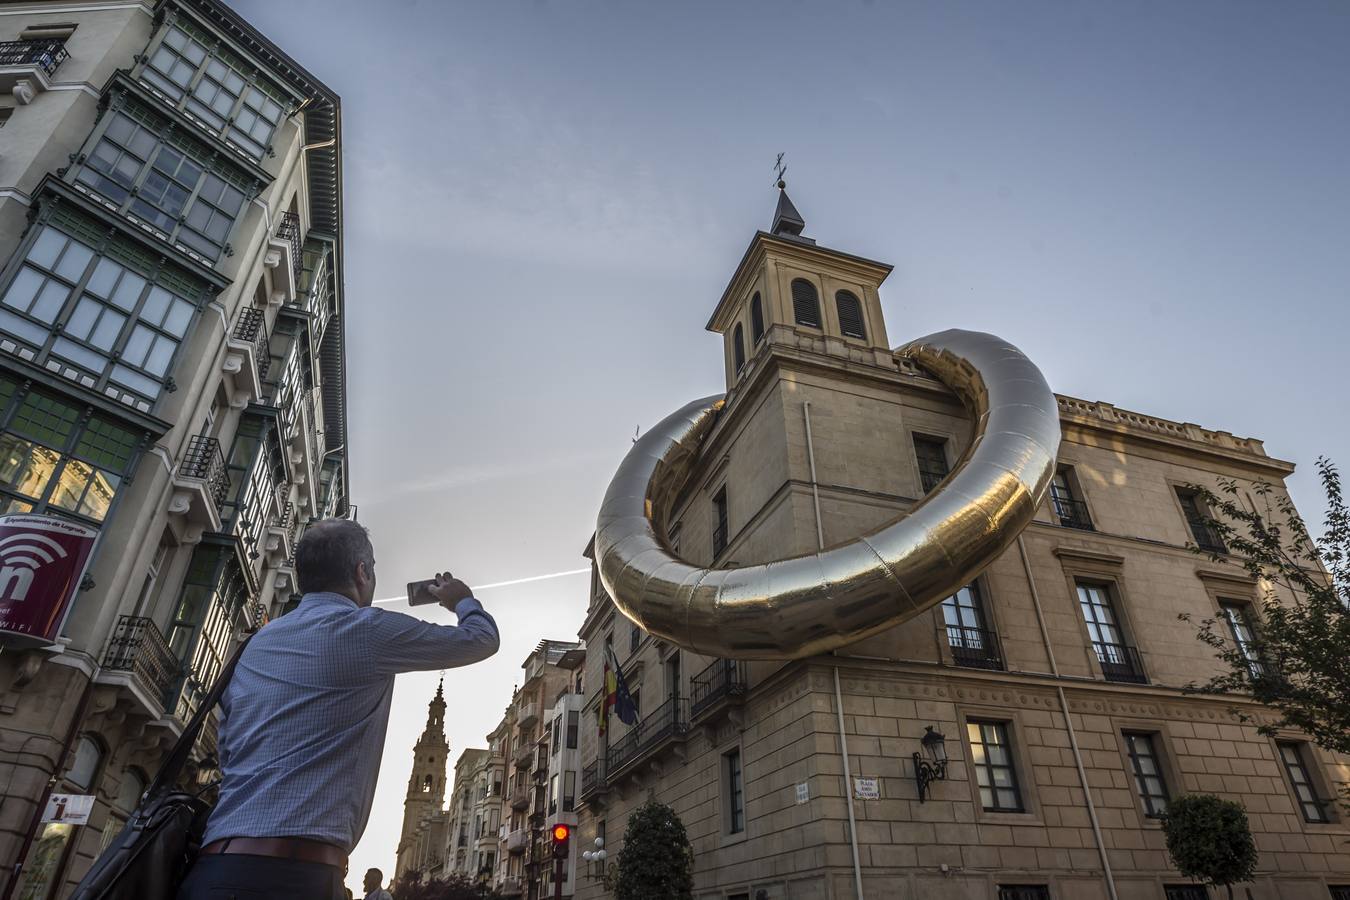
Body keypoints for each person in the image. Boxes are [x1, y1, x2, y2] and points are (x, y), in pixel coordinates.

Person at [176, 519, 500, 900]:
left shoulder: (255, 645)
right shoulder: (365, 630)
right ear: (362, 572)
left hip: (213, 869)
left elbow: (228, 750)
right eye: (373, 568)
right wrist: (460, 598)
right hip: (295, 876)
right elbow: (481, 639)